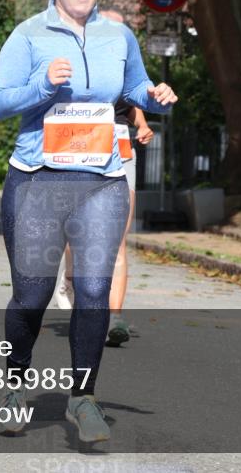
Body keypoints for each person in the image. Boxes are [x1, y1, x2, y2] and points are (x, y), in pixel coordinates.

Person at [0, 0, 177, 442]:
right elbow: (0, 103)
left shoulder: (118, 36)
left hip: (101, 180)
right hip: (36, 181)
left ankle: (83, 397)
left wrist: (154, 95)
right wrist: (44, 85)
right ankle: (14, 386)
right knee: (32, 294)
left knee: (93, 291)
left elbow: (133, 87)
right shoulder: (28, 35)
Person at [55, 100, 154, 347]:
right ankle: (69, 277)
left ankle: (113, 319)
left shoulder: (123, 61)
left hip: (120, 149)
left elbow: (130, 104)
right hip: (79, 146)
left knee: (117, 240)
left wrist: (142, 125)